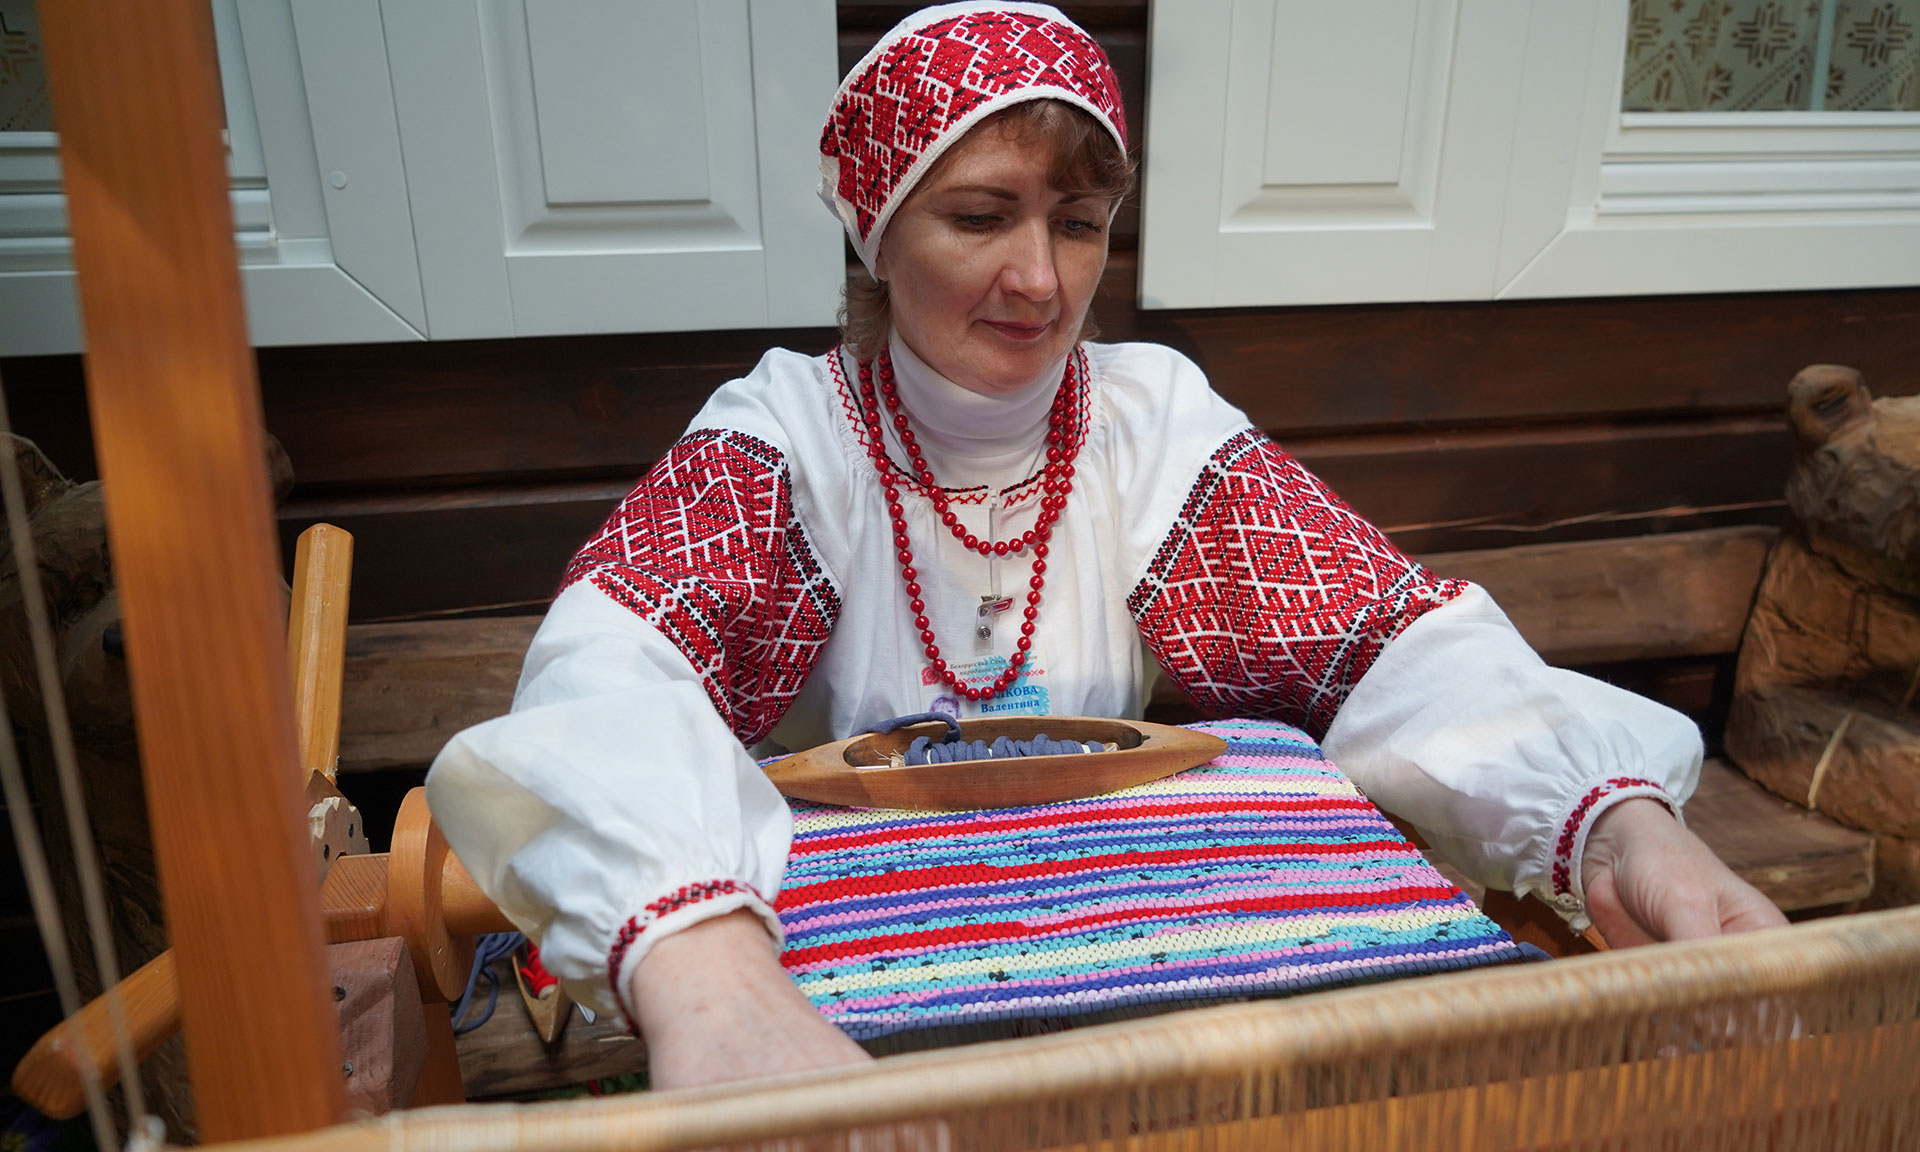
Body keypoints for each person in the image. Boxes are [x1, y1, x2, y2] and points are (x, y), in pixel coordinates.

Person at [426, 2, 1784, 1091]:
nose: (1042, 279)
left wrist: (1617, 827)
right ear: (876, 232)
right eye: (981, 216)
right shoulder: (791, 443)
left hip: (1129, 986)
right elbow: (609, 678)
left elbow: (1385, 638)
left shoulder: (1147, 427)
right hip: (859, 1015)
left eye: (1077, 224)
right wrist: (709, 979)